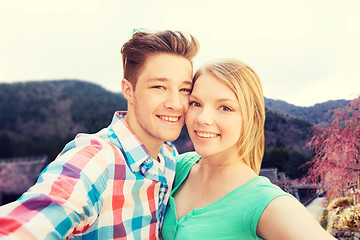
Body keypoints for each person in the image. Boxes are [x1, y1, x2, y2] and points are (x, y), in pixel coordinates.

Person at [0, 29, 199, 239]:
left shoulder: (169, 158)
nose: (176, 104)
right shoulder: (96, 159)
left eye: (184, 90)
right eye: (159, 86)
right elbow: (30, 223)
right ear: (128, 90)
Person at [161, 59, 336, 239]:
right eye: (196, 103)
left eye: (225, 107)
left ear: (250, 118)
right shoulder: (176, 167)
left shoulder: (263, 203)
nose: (203, 118)